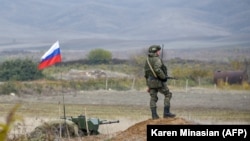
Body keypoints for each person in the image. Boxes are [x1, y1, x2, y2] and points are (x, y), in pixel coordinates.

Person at [144, 45, 176, 119]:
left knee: (153, 97)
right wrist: (164, 77)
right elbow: (157, 69)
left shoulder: (147, 60)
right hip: (158, 81)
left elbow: (146, 74)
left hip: (150, 82)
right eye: (159, 51)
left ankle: (154, 115)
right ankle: (166, 113)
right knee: (168, 94)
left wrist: (148, 85)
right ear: (156, 51)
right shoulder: (157, 59)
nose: (159, 52)